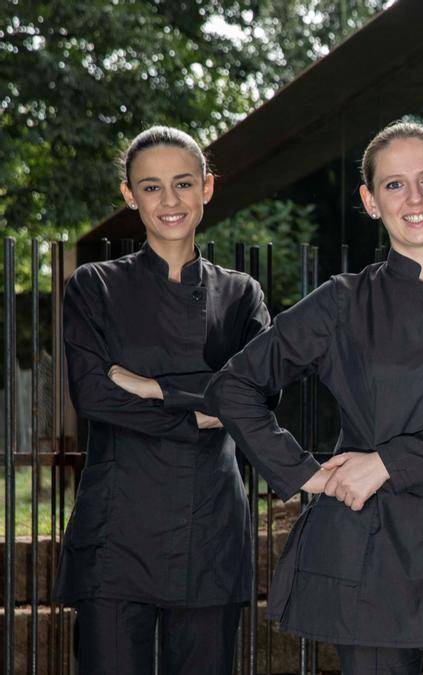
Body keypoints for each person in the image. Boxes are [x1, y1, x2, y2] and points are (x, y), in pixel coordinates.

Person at [205, 121, 423, 675]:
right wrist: (306, 473)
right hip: (371, 552)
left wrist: (386, 463)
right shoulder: (341, 302)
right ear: (370, 201)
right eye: (394, 185)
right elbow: (233, 386)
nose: (415, 198)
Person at [55, 126, 271, 674]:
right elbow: (94, 395)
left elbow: (255, 397)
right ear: (130, 195)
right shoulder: (94, 286)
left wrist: (157, 388)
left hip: (211, 525)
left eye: (182, 184)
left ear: (207, 188)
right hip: (118, 528)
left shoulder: (241, 294)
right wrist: (204, 409)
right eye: (151, 187)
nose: (169, 201)